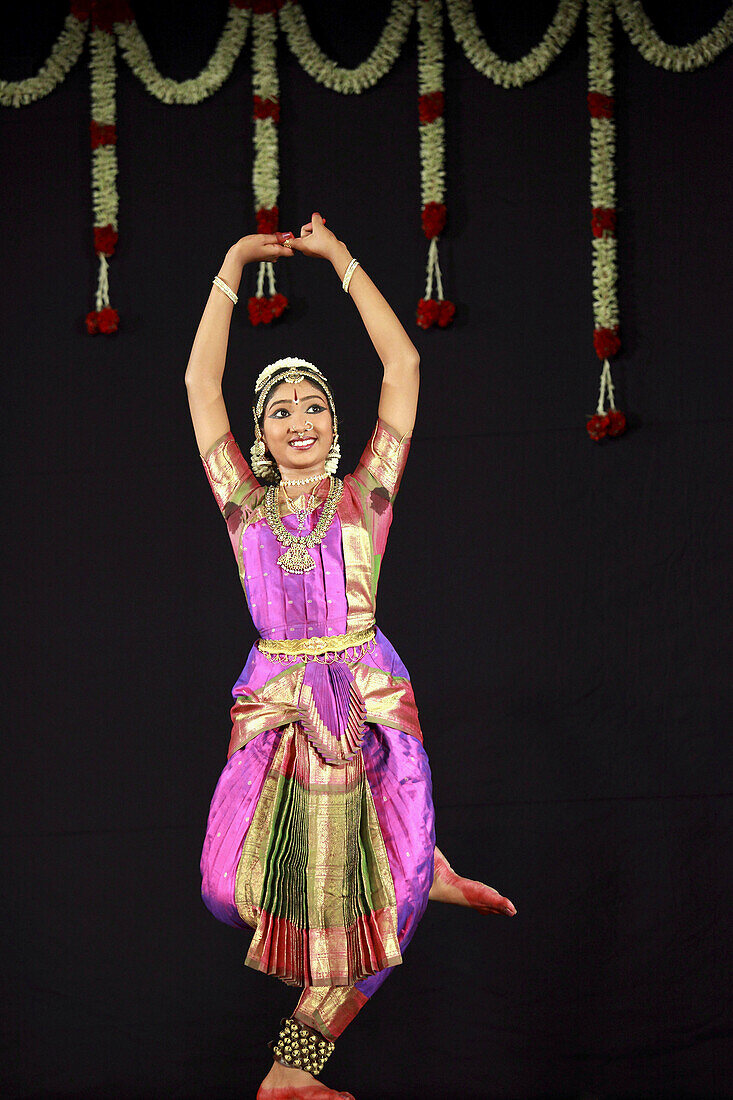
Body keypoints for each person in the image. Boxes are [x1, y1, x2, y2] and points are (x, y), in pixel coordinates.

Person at [185, 214, 517, 1100]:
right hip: (277, 701)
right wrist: (228, 265)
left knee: (387, 902)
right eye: (280, 410)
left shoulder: (364, 494)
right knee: (231, 886)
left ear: (336, 425)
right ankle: (424, 863)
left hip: (362, 698)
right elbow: (198, 383)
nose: (299, 418)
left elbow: (402, 368)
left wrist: (340, 260)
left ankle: (292, 1075)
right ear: (260, 435)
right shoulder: (243, 510)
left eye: (315, 405)